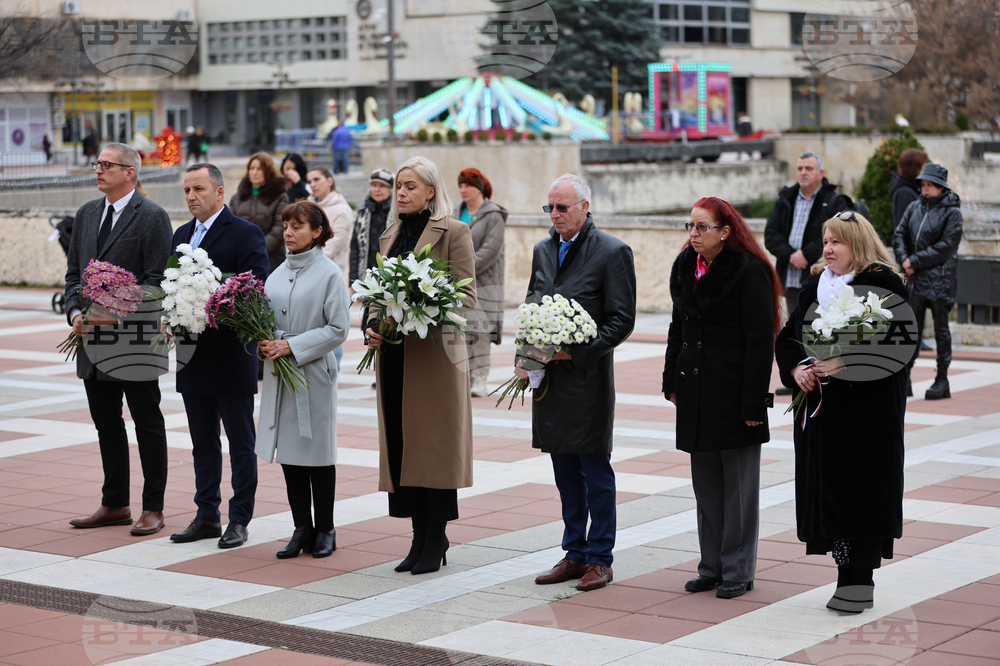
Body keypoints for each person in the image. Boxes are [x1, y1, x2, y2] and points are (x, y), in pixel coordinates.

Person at [776, 211, 910, 614]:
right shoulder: (815, 286)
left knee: (862, 496)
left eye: (837, 242)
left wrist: (842, 363)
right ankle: (844, 578)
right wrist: (797, 367)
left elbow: (901, 346)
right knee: (833, 497)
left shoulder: (884, 285)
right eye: (825, 240)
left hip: (868, 417)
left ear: (858, 244)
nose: (827, 249)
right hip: (826, 416)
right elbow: (788, 339)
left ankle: (858, 583)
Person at [662, 197, 781, 599]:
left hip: (734, 394)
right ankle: (711, 566)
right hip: (696, 391)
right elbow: (677, 328)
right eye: (690, 226)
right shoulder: (685, 267)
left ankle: (738, 570)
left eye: (701, 228)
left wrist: (753, 403)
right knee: (707, 486)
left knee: (738, 490)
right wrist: (670, 380)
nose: (693, 235)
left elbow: (761, 341)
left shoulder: (749, 271)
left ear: (725, 232)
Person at [364, 156, 476, 575]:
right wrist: (374, 327)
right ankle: (417, 536)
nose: (402, 193)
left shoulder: (455, 232)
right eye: (398, 186)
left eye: (410, 186)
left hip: (434, 361)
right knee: (403, 446)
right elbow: (377, 297)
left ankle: (437, 536)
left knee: (433, 449)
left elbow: (467, 298)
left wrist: (417, 307)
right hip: (393, 357)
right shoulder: (389, 235)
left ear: (431, 191)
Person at [529, 174, 637, 592]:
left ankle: (600, 559)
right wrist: (529, 354)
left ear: (584, 206)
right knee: (563, 470)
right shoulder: (542, 250)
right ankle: (573, 553)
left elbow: (621, 320)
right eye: (549, 208)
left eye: (562, 207)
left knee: (594, 469)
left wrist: (575, 352)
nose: (554, 215)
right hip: (550, 382)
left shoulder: (611, 251)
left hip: (587, 380)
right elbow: (532, 303)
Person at [64, 143, 172, 536]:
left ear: (129, 172)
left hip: (136, 342)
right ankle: (115, 503)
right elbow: (73, 274)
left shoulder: (153, 217)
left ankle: (153, 508)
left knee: (147, 424)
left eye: (106, 165)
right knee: (106, 423)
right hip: (92, 343)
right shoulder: (87, 213)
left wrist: (112, 306)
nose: (97, 170)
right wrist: (77, 313)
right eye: (96, 163)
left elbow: (158, 282)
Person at [168, 163, 270, 549]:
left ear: (219, 192)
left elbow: (256, 286)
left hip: (230, 354)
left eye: (198, 189)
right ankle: (206, 514)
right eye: (187, 190)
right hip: (192, 355)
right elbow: (170, 287)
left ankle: (239, 518)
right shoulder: (181, 235)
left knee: (241, 442)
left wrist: (213, 303)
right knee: (202, 442)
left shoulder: (245, 233)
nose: (192, 196)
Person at [256, 201, 351, 559]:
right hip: (281, 374)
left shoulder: (328, 273)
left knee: (318, 453)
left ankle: (325, 528)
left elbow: (338, 327)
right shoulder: (276, 273)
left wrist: (291, 344)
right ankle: (301, 528)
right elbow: (264, 320)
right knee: (291, 454)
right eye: (285, 225)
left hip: (313, 375)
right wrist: (264, 341)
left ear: (317, 231)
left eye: (297, 226)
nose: (289, 232)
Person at [765, 152, 850, 395]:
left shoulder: (833, 201)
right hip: (790, 276)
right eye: (800, 167)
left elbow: (836, 237)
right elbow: (771, 233)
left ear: (821, 173)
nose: (803, 172)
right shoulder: (787, 198)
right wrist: (791, 254)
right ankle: (799, 373)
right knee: (796, 327)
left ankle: (820, 373)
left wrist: (807, 254)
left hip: (817, 277)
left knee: (819, 328)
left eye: (809, 168)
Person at [893, 163, 964, 400]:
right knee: (910, 331)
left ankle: (942, 379)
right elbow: (899, 233)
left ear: (941, 187)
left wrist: (914, 260)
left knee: (941, 332)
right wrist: (904, 259)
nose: (925, 189)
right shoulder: (914, 207)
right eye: (923, 185)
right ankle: (906, 377)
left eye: (930, 185)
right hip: (915, 280)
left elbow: (946, 247)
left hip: (939, 281)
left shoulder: (952, 212)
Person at [457, 168, 507, 397]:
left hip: (484, 283)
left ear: (480, 188)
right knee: (461, 331)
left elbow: (489, 250)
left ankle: (480, 378)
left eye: (467, 185)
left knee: (480, 331)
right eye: (460, 186)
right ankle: (464, 377)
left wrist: (459, 268)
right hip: (458, 282)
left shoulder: (493, 215)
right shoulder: (457, 213)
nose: (463, 190)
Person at [308, 166, 353, 369]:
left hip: (330, 277)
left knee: (332, 326)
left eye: (317, 179)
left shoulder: (342, 209)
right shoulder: (307, 206)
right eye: (310, 181)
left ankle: (332, 371)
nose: (313, 184)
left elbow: (331, 246)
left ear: (330, 181)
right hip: (306, 276)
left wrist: (303, 257)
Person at [229, 152, 290, 275]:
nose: (254, 172)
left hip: (270, 262)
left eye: (259, 168)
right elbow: (230, 227)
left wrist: (257, 250)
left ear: (268, 172)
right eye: (252, 168)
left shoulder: (280, 197)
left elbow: (279, 229)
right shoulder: (237, 198)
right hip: (241, 261)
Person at [349, 168, 394, 285]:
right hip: (365, 277)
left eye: (382, 186)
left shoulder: (397, 215)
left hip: (391, 279)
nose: (377, 189)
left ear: (391, 189)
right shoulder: (362, 213)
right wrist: (353, 281)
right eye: (374, 185)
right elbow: (355, 249)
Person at [890, 148, 928, 230]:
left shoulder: (914, 189)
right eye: (922, 167)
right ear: (914, 168)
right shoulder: (904, 193)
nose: (925, 171)